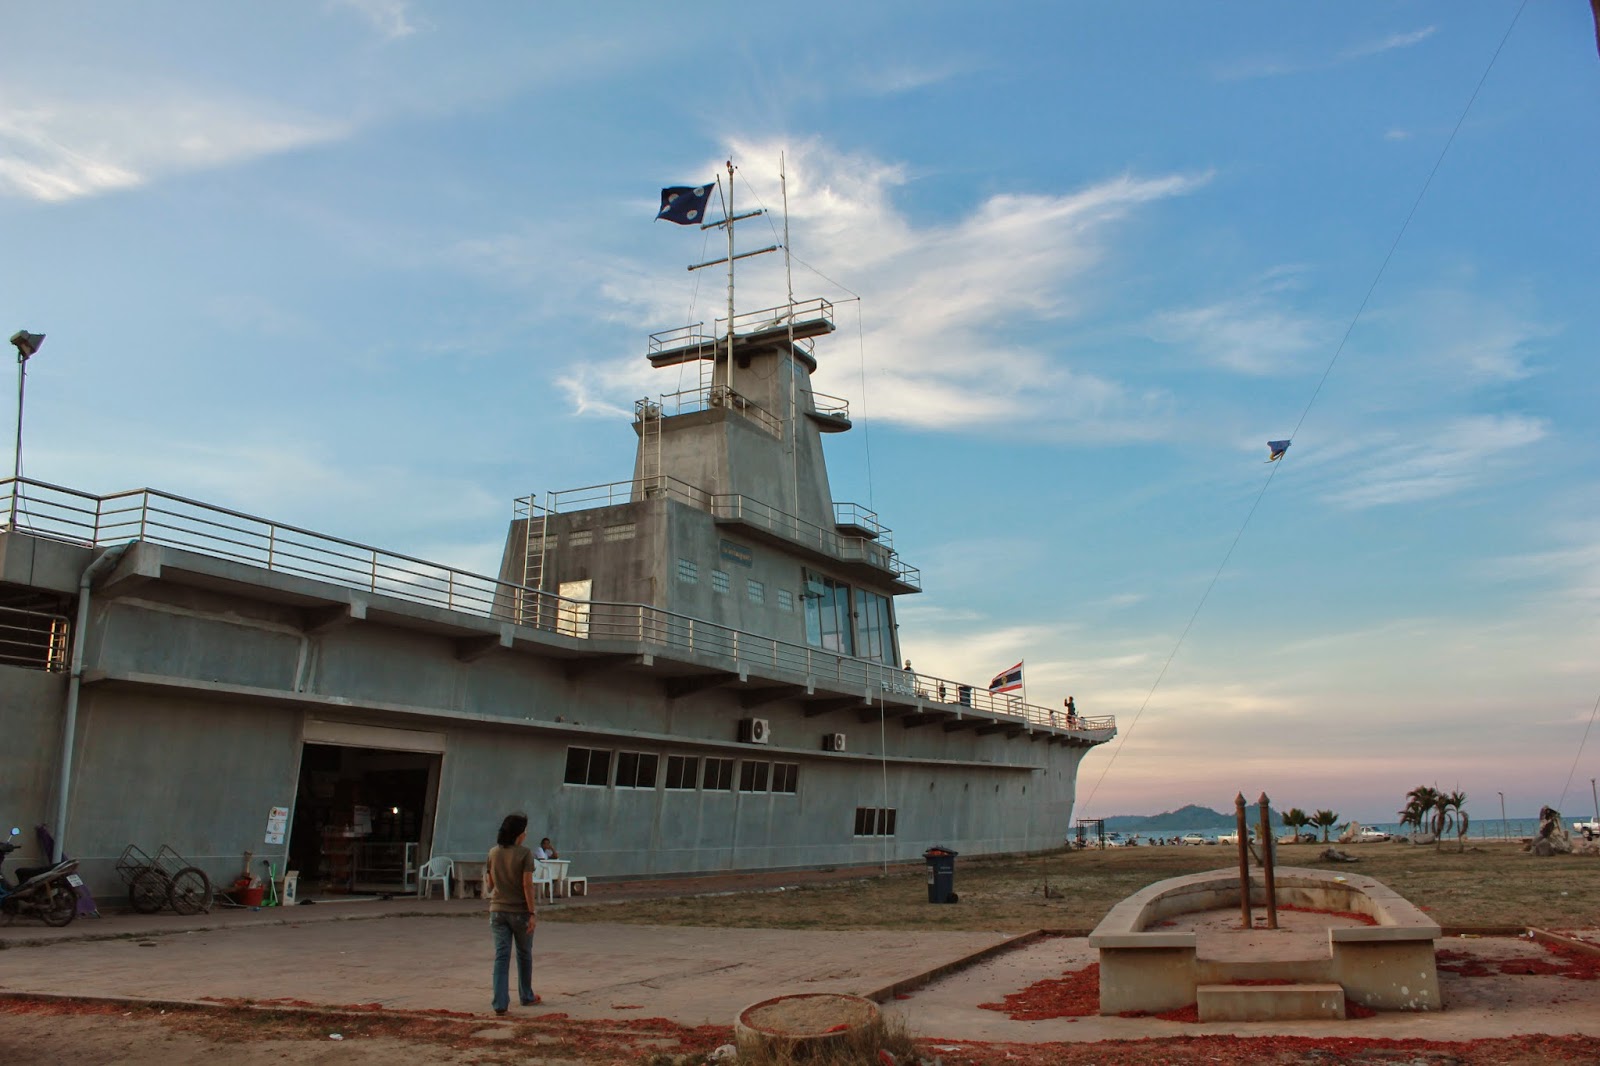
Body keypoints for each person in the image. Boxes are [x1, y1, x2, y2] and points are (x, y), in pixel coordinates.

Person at [483, 812, 540, 1014]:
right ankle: (526, 995)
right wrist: (532, 912)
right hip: (519, 912)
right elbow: (527, 885)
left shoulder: (493, 853)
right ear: (520, 833)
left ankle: (499, 1003)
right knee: (524, 954)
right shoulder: (525, 854)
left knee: (502, 956)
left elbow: (489, 886)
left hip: (497, 911)